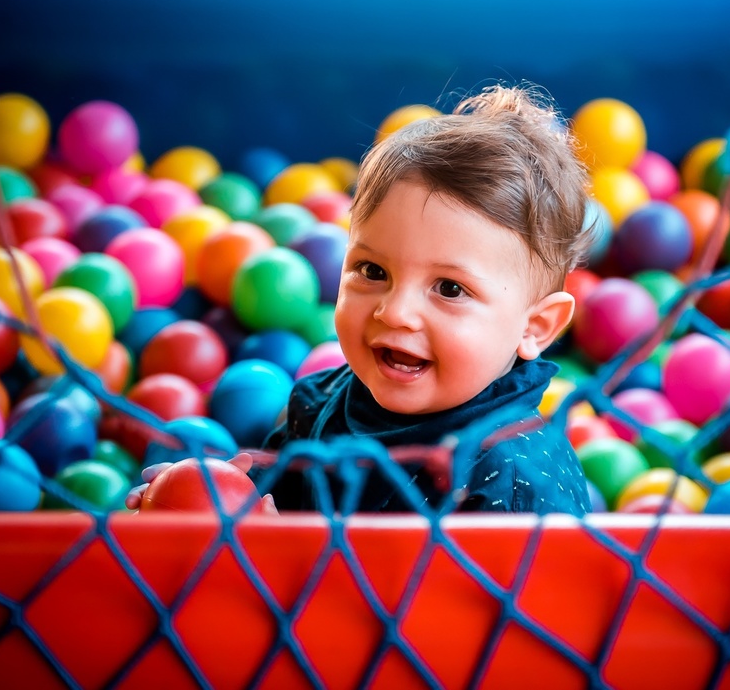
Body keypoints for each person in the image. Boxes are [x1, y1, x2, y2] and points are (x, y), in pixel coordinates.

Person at [127, 83, 593, 515]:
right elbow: (269, 496)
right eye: (373, 271)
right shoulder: (323, 402)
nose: (393, 311)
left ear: (535, 327)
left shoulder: (511, 484)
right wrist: (204, 496)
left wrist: (281, 556)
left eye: (449, 289)